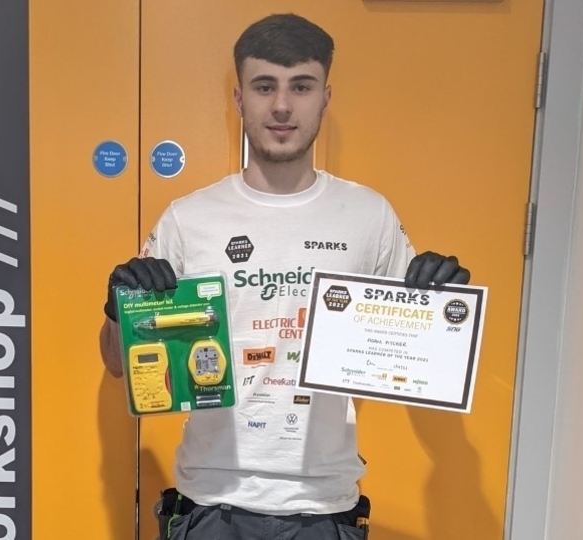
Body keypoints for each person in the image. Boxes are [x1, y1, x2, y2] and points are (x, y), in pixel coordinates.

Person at [98, 12, 470, 540]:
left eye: (301, 86)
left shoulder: (368, 215)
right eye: (264, 86)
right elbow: (117, 363)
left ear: (325, 97)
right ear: (238, 99)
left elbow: (420, 362)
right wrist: (118, 309)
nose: (281, 106)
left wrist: (444, 310)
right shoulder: (189, 218)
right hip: (210, 505)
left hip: (323, 507)